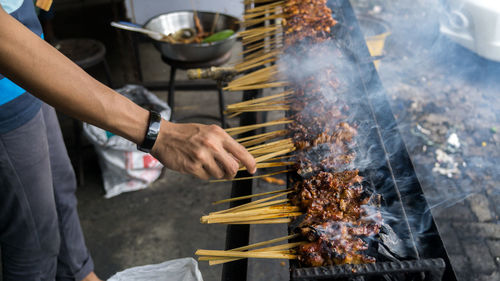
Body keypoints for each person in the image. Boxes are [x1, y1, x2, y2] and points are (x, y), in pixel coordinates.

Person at [0, 1, 256, 280]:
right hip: (5, 87)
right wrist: (159, 133)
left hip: (29, 46)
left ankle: (80, 275)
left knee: (60, 190)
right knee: (35, 238)